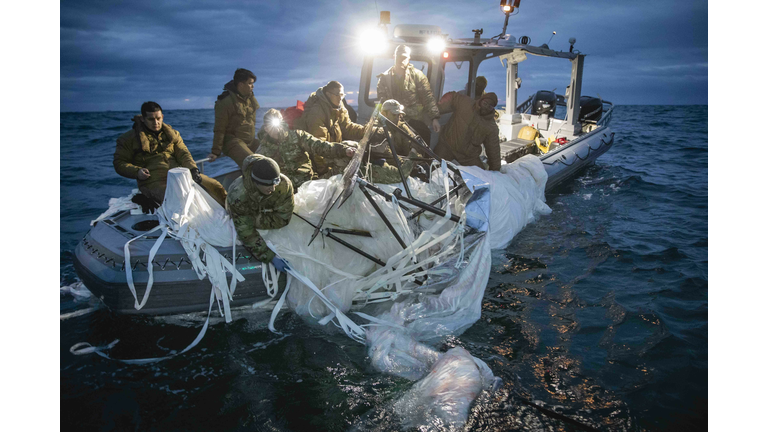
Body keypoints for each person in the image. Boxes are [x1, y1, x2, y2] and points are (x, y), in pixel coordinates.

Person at [113, 101, 228, 207]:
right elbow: (119, 163)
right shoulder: (128, 139)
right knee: (177, 200)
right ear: (143, 119)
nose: (156, 122)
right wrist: (137, 172)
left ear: (162, 117)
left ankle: (233, 213)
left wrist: (193, 169)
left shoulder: (173, 134)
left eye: (158, 118)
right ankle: (145, 197)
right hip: (153, 181)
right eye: (151, 119)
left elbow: (183, 153)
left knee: (215, 186)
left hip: (180, 174)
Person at [256, 109, 356, 190]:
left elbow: (320, 146)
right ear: (265, 128)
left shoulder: (298, 136)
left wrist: (343, 150)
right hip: (284, 192)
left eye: (277, 124)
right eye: (270, 125)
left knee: (346, 160)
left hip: (309, 184)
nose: (275, 129)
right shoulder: (262, 151)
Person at [227, 155, 293, 269]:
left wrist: (258, 216)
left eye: (275, 184)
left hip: (257, 212)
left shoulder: (283, 185)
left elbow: (283, 218)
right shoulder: (238, 195)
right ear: (256, 182)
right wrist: (270, 257)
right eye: (268, 185)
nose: (272, 189)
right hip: (242, 211)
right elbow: (246, 232)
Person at [294, 80, 367, 176]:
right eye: (337, 95)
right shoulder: (317, 112)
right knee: (347, 157)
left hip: (332, 152)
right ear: (328, 94)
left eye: (342, 95)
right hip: (320, 161)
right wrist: (324, 173)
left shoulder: (339, 108)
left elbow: (348, 127)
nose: (340, 98)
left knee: (355, 148)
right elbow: (318, 147)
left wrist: (366, 130)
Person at [376, 45, 441, 144]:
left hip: (413, 119)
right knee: (381, 139)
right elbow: (382, 102)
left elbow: (427, 97)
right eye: (399, 57)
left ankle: (425, 159)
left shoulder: (417, 76)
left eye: (404, 57)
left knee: (424, 136)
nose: (401, 60)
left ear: (409, 58)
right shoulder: (384, 78)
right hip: (392, 120)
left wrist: (434, 118)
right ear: (394, 57)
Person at [433, 92, 502, 171]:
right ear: (481, 100)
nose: (486, 107)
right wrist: (438, 107)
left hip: (467, 157)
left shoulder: (491, 127)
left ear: (493, 108)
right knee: (431, 166)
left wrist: (495, 170)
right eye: (485, 103)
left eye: (490, 106)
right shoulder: (466, 103)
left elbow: (493, 149)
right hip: (447, 145)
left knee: (481, 177)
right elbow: (452, 96)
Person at [207, 68, 260, 168]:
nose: (253, 86)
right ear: (240, 84)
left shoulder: (250, 99)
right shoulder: (225, 102)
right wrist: (215, 152)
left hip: (249, 141)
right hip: (232, 142)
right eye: (250, 83)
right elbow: (219, 128)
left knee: (273, 155)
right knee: (254, 164)